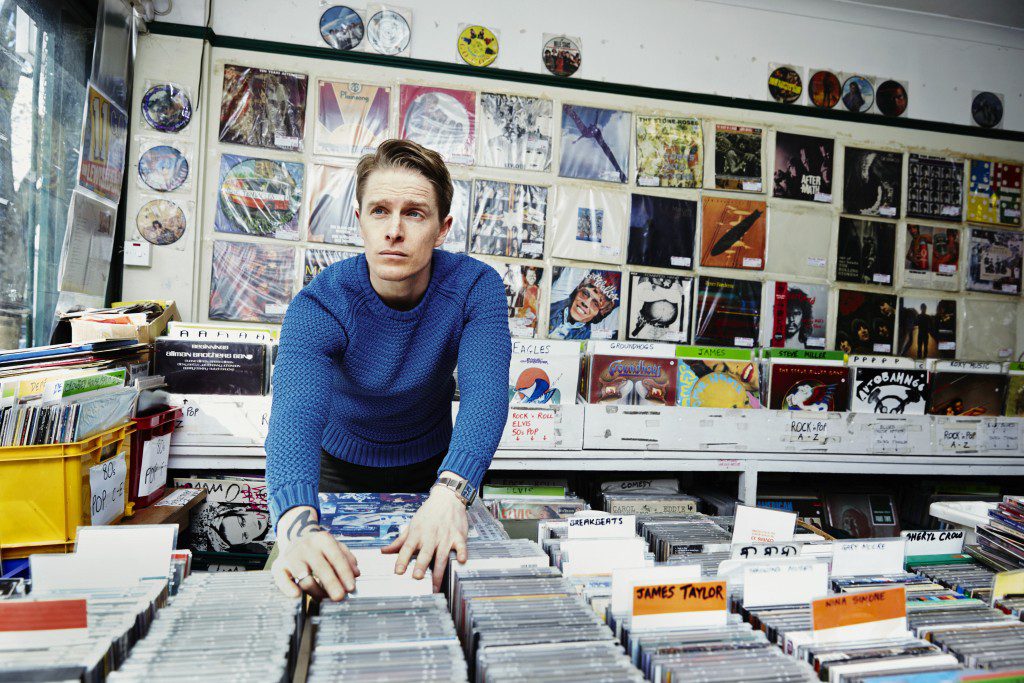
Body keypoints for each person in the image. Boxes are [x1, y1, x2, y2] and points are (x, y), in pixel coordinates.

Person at [265, 139, 512, 601]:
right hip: (336, 468)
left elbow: (486, 393)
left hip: (437, 470)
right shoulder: (321, 302)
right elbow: (295, 414)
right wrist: (297, 524)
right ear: (360, 220)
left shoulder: (475, 286)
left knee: (443, 594)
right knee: (317, 585)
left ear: (442, 229)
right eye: (380, 211)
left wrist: (452, 493)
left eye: (414, 214)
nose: (394, 231)